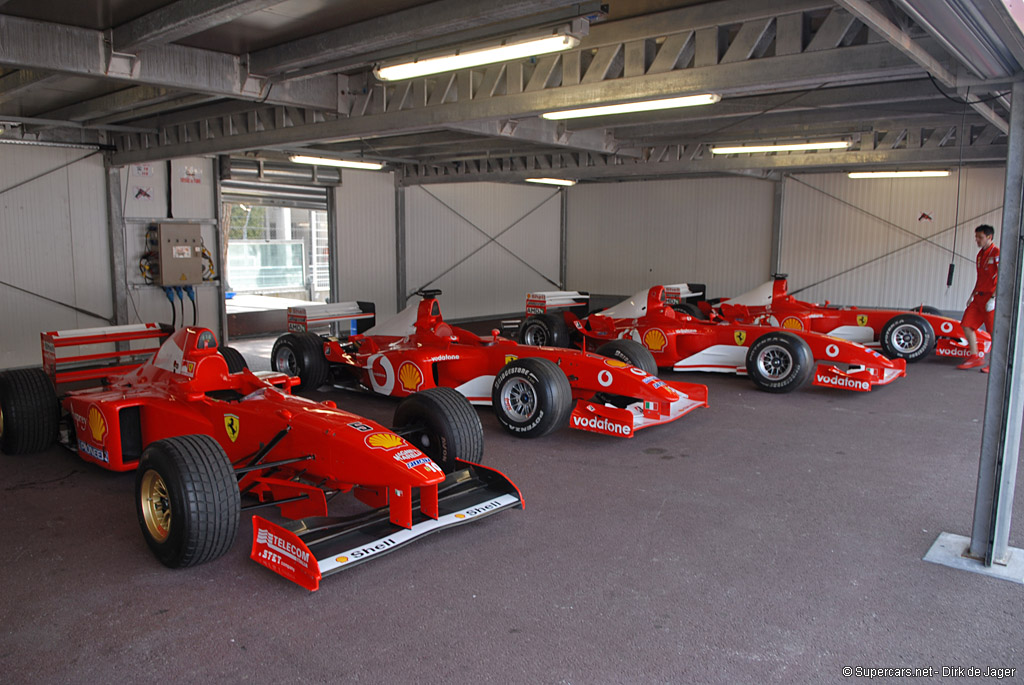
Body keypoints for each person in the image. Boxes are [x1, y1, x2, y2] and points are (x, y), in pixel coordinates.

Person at [958, 224, 999, 371]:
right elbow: (981, 277)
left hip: (990, 298)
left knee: (993, 332)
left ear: (989, 237)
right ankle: (975, 356)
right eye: (976, 237)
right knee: (966, 325)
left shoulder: (997, 253)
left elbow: (1002, 276)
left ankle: (995, 365)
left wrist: (994, 298)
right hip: (979, 297)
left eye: (980, 237)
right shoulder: (980, 255)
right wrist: (972, 295)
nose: (977, 240)